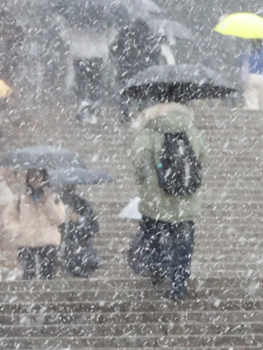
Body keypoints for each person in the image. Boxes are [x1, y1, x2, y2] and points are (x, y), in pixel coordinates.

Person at [130, 102, 206, 299]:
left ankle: (158, 269)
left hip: (156, 202)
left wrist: (145, 181)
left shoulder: (150, 131)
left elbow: (140, 162)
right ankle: (179, 285)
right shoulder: (191, 130)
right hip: (185, 202)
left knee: (153, 237)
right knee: (183, 244)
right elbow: (204, 159)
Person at [1, 168, 69, 279]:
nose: (35, 178)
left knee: (47, 276)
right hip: (26, 242)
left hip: (48, 242)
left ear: (43, 177)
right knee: (28, 275)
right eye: (31, 175)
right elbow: (8, 216)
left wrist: (47, 203)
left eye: (38, 175)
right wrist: (18, 229)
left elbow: (60, 219)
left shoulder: (53, 197)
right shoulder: (20, 197)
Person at [110, 19, 163, 122]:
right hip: (142, 69)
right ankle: (142, 113)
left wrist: (121, 56)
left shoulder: (124, 34)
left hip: (125, 68)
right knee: (143, 92)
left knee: (124, 91)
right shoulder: (149, 37)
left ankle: (124, 113)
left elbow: (113, 48)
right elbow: (156, 52)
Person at [58, 185, 101, 278]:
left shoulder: (82, 204)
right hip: (62, 247)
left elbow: (93, 227)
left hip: (80, 249)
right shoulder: (56, 202)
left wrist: (79, 220)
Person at [238, 39, 263, 111]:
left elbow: (241, 64)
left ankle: (254, 119)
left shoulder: (247, 52)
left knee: (252, 102)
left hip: (251, 76)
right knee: (262, 102)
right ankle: (262, 118)